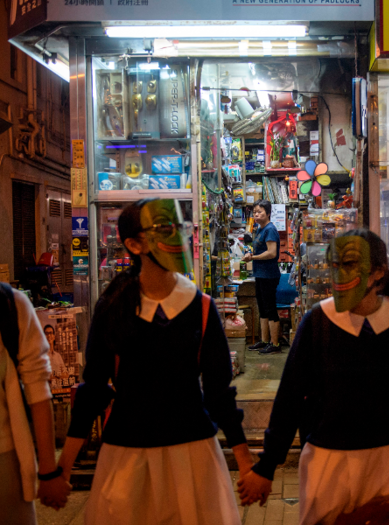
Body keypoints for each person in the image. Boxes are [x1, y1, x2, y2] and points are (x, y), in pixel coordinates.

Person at [237, 229, 389, 525]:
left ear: (378, 272)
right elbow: (289, 399)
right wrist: (266, 468)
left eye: (350, 263)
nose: (340, 273)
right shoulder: (318, 321)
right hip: (330, 466)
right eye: (335, 264)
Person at [57, 199, 254, 525]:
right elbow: (93, 389)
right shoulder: (114, 306)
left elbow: (219, 394)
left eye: (179, 227)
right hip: (126, 456)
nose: (178, 237)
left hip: (192, 455)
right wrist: (61, 471)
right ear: (133, 244)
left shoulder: (201, 307)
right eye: (165, 229)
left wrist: (246, 464)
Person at [0, 283, 71, 523]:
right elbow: (39, 392)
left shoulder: (10, 306)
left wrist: (49, 472)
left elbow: (39, 391)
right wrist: (50, 473)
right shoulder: (12, 304)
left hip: (6, 464)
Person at [245, 199, 282, 354]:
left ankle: (275, 343)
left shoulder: (270, 229)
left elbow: (272, 253)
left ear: (268, 213)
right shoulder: (259, 229)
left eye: (259, 211)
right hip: (260, 274)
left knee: (270, 308)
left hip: (269, 275)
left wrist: (253, 258)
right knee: (262, 308)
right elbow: (260, 250)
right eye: (254, 212)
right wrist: (251, 254)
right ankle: (265, 340)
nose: (256, 214)